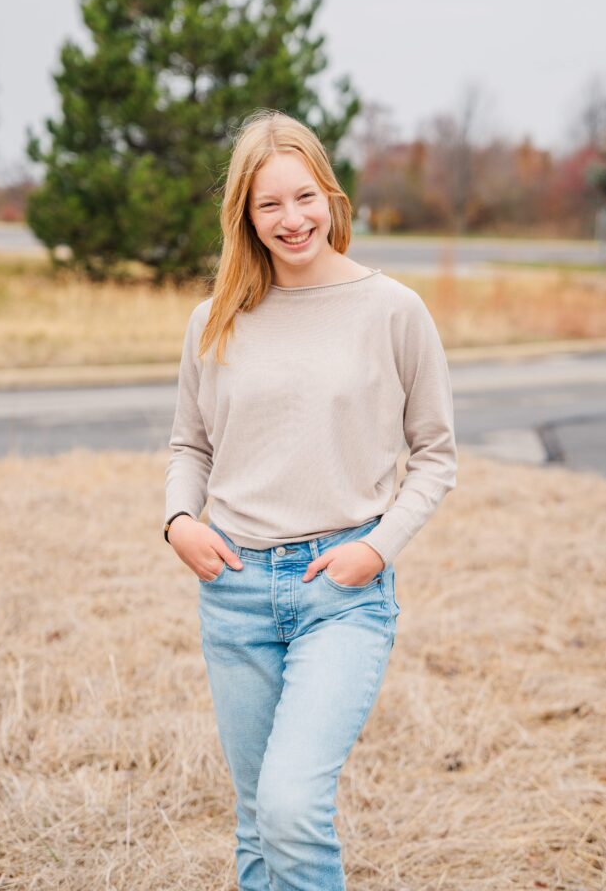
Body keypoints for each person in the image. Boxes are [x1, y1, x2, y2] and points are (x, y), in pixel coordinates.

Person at [164, 108, 457, 891]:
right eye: (269, 205)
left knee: (292, 807)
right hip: (232, 591)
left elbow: (434, 455)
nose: (291, 220)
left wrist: (374, 549)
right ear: (245, 217)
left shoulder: (391, 309)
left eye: (303, 197)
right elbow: (189, 445)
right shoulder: (214, 319)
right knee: (259, 823)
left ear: (330, 194)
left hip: (339, 591)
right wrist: (177, 522)